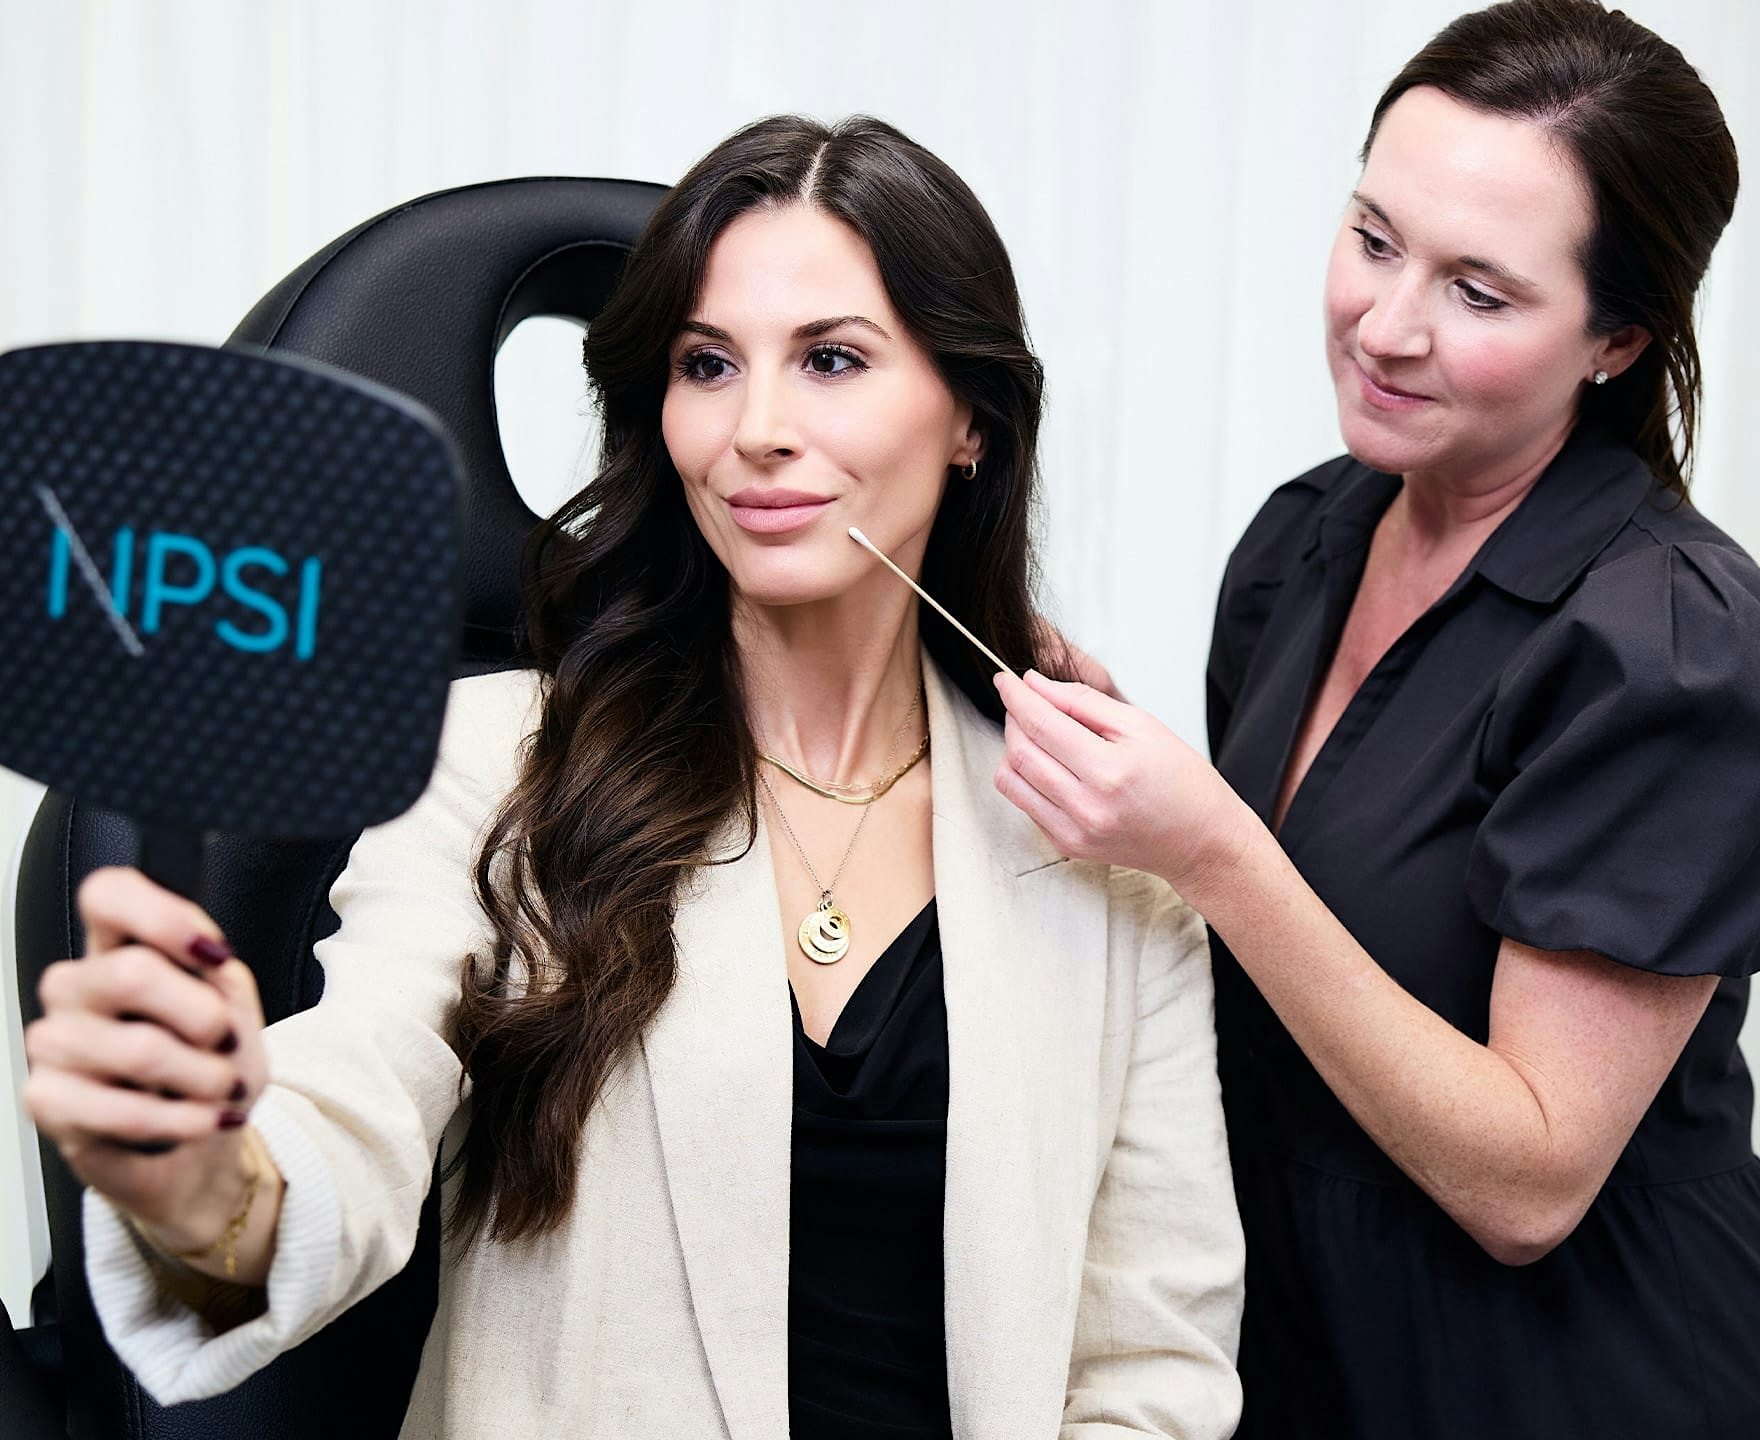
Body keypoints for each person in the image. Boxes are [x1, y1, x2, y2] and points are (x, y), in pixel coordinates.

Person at [22, 115, 1244, 1438]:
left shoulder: (1107, 851)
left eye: (831, 360)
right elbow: (350, 1107)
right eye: (706, 365)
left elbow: (1152, 1371)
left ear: (971, 421)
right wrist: (201, 1174)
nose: (757, 429)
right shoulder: (502, 769)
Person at [991, 3, 1760, 1436]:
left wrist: (1211, 850)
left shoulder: (1670, 650)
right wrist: (1124, 774)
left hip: (1569, 1381)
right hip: (1299, 1349)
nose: (1385, 325)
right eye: (1373, 237)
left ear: (1616, 342)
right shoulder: (1305, 542)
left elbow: (1530, 1182)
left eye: (1480, 291)